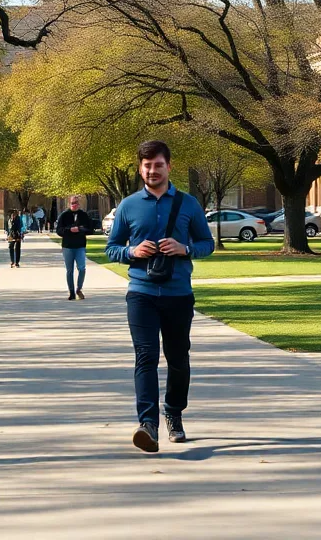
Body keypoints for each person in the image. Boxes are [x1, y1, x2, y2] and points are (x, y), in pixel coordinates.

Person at [106, 140, 214, 453]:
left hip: (179, 293)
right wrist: (131, 251)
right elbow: (111, 248)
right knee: (146, 356)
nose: (152, 171)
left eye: (158, 165)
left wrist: (186, 249)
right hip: (141, 292)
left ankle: (174, 413)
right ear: (140, 169)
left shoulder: (188, 203)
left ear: (169, 166)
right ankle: (148, 424)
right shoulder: (128, 206)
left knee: (178, 358)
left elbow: (207, 243)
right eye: (146, 165)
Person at [57, 194, 94, 300]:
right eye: (72, 203)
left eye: (76, 203)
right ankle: (71, 292)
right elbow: (59, 231)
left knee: (82, 268)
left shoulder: (84, 215)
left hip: (80, 246)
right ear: (69, 204)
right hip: (68, 246)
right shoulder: (64, 215)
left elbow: (90, 230)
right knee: (69, 270)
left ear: (79, 204)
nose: (74, 205)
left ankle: (79, 288)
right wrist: (69, 230)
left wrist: (80, 229)